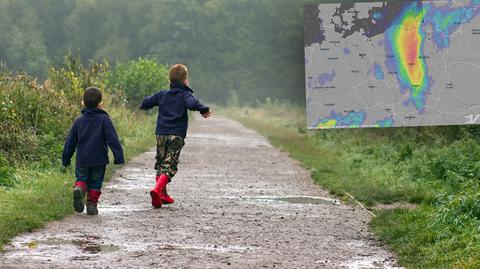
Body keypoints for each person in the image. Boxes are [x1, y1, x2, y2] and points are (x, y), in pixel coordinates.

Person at [140, 64, 212, 208]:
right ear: (185, 81)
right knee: (170, 164)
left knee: (161, 163)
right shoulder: (185, 94)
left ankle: (162, 195)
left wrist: (147, 102)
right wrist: (204, 109)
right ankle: (157, 190)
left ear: (170, 81)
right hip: (176, 135)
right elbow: (192, 104)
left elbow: (145, 103)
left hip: (161, 134)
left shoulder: (162, 94)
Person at [62, 87, 124, 215]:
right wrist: (118, 156)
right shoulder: (104, 119)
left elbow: (70, 142)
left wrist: (66, 159)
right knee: (96, 182)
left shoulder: (78, 121)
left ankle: (79, 187)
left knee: (82, 178)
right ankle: (91, 205)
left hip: (82, 159)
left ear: (83, 103)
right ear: (100, 104)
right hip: (99, 159)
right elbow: (112, 139)